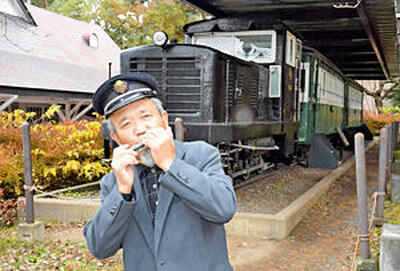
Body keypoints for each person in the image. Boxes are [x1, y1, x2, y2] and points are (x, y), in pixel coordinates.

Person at [84, 72, 237, 271]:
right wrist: (122, 191)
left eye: (145, 116)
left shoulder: (201, 155)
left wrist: (170, 164)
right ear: (117, 138)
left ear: (164, 119)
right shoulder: (114, 182)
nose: (139, 129)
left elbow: (224, 209)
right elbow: (99, 248)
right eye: (126, 124)